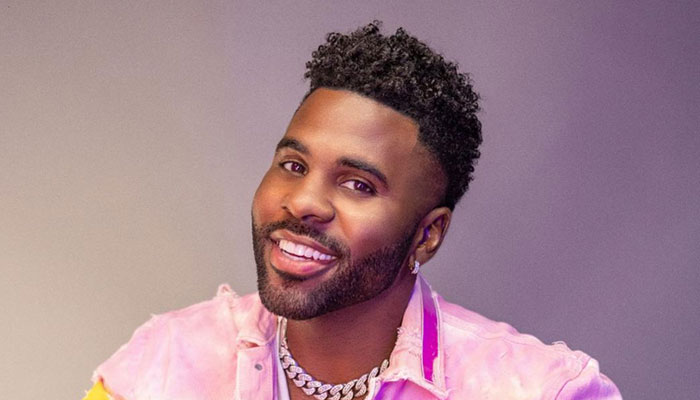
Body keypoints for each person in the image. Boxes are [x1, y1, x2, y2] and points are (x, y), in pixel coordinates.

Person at [84, 22, 621, 400]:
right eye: (293, 165)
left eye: (358, 185)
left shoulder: (538, 390)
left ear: (428, 235)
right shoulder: (163, 364)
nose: (303, 202)